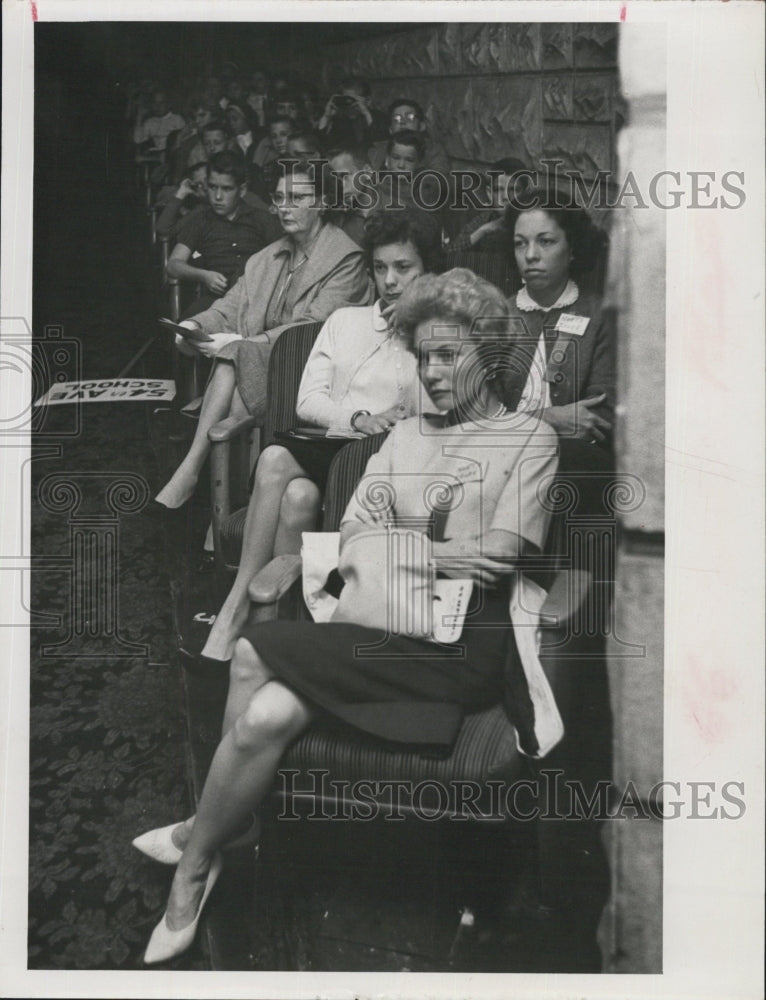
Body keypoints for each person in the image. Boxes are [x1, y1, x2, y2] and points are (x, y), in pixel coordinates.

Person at [135, 267, 560, 965]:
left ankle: (197, 853)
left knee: (252, 650)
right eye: (423, 356)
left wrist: (401, 543)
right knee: (266, 713)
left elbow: (501, 558)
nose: (433, 371)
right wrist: (438, 550)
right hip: (379, 625)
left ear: (489, 353)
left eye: (448, 354)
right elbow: (356, 532)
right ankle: (216, 839)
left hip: (461, 649)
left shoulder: (529, 438)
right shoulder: (406, 435)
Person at [190, 206, 442, 666]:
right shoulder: (346, 322)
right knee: (288, 478)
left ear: (428, 269)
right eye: (380, 268)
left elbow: (430, 410)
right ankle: (256, 618)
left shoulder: (438, 335)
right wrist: (359, 416)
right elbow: (308, 400)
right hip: (329, 449)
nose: (390, 281)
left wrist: (415, 330)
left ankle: (253, 625)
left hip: (382, 470)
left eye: (404, 268)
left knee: (296, 493)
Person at [149, 161, 372, 515]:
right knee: (237, 372)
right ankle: (230, 510)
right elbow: (231, 305)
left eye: (297, 198)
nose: (284, 206)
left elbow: (314, 328)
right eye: (280, 197)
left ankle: (195, 476)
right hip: (260, 366)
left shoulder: (346, 258)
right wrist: (195, 325)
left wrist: (249, 344)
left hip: (314, 374)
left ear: (323, 203)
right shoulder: (267, 257)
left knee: (236, 359)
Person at [501, 187, 615, 452]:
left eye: (545, 241)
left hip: (572, 462)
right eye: (520, 243)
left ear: (572, 248)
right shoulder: (494, 314)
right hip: (500, 455)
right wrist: (550, 419)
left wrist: (515, 421)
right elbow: (476, 418)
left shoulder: (599, 316)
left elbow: (601, 418)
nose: (530, 255)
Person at [166, 150, 282, 315]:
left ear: (241, 190)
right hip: (216, 302)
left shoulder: (261, 219)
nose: (217, 197)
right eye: (213, 187)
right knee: (188, 327)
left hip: (257, 302)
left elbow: (287, 260)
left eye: (226, 189)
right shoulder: (200, 220)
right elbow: (173, 264)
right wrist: (204, 276)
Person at [449, 157, 531, 252]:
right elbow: (449, 253)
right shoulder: (486, 219)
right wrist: (483, 231)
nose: (505, 197)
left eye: (513, 190)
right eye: (498, 190)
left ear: (526, 193)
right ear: (489, 193)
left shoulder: (536, 221)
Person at [369, 97, 451, 181]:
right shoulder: (378, 151)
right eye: (396, 119)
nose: (403, 122)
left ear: (422, 126)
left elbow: (437, 183)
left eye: (410, 118)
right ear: (390, 129)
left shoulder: (433, 150)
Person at [133, 88, 185, 155]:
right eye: (155, 103)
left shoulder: (177, 119)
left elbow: (185, 140)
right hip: (155, 156)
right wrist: (139, 117)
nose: (158, 106)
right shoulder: (150, 122)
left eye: (161, 103)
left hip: (173, 155)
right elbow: (137, 140)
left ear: (168, 104)